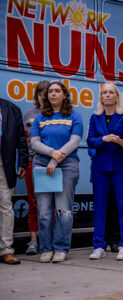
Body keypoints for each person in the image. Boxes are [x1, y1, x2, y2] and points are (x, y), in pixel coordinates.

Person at [31, 81, 83, 263]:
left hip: (67, 165)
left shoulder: (74, 116)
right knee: (44, 212)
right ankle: (46, 248)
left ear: (64, 95)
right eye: (50, 91)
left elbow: (74, 141)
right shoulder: (40, 118)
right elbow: (34, 143)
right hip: (42, 164)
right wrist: (52, 154)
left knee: (64, 210)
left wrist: (55, 159)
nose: (53, 94)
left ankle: (61, 248)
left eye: (57, 91)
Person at [87, 82, 123, 260]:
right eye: (104, 93)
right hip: (100, 167)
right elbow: (90, 141)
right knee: (100, 208)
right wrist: (104, 138)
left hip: (121, 167)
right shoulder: (95, 117)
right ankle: (98, 246)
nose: (107, 95)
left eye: (111, 92)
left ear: (117, 96)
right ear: (101, 97)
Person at [0, 98, 28, 264]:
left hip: (4, 162)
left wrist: (22, 162)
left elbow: (21, 139)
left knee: (5, 204)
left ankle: (6, 250)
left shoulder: (11, 108)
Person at [23, 80, 49, 255]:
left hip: (52, 164)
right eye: (41, 94)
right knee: (33, 203)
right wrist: (23, 163)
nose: (44, 98)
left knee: (51, 204)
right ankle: (33, 240)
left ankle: (50, 238)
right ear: (37, 96)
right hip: (33, 163)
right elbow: (24, 142)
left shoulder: (56, 115)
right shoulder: (29, 114)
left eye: (47, 95)